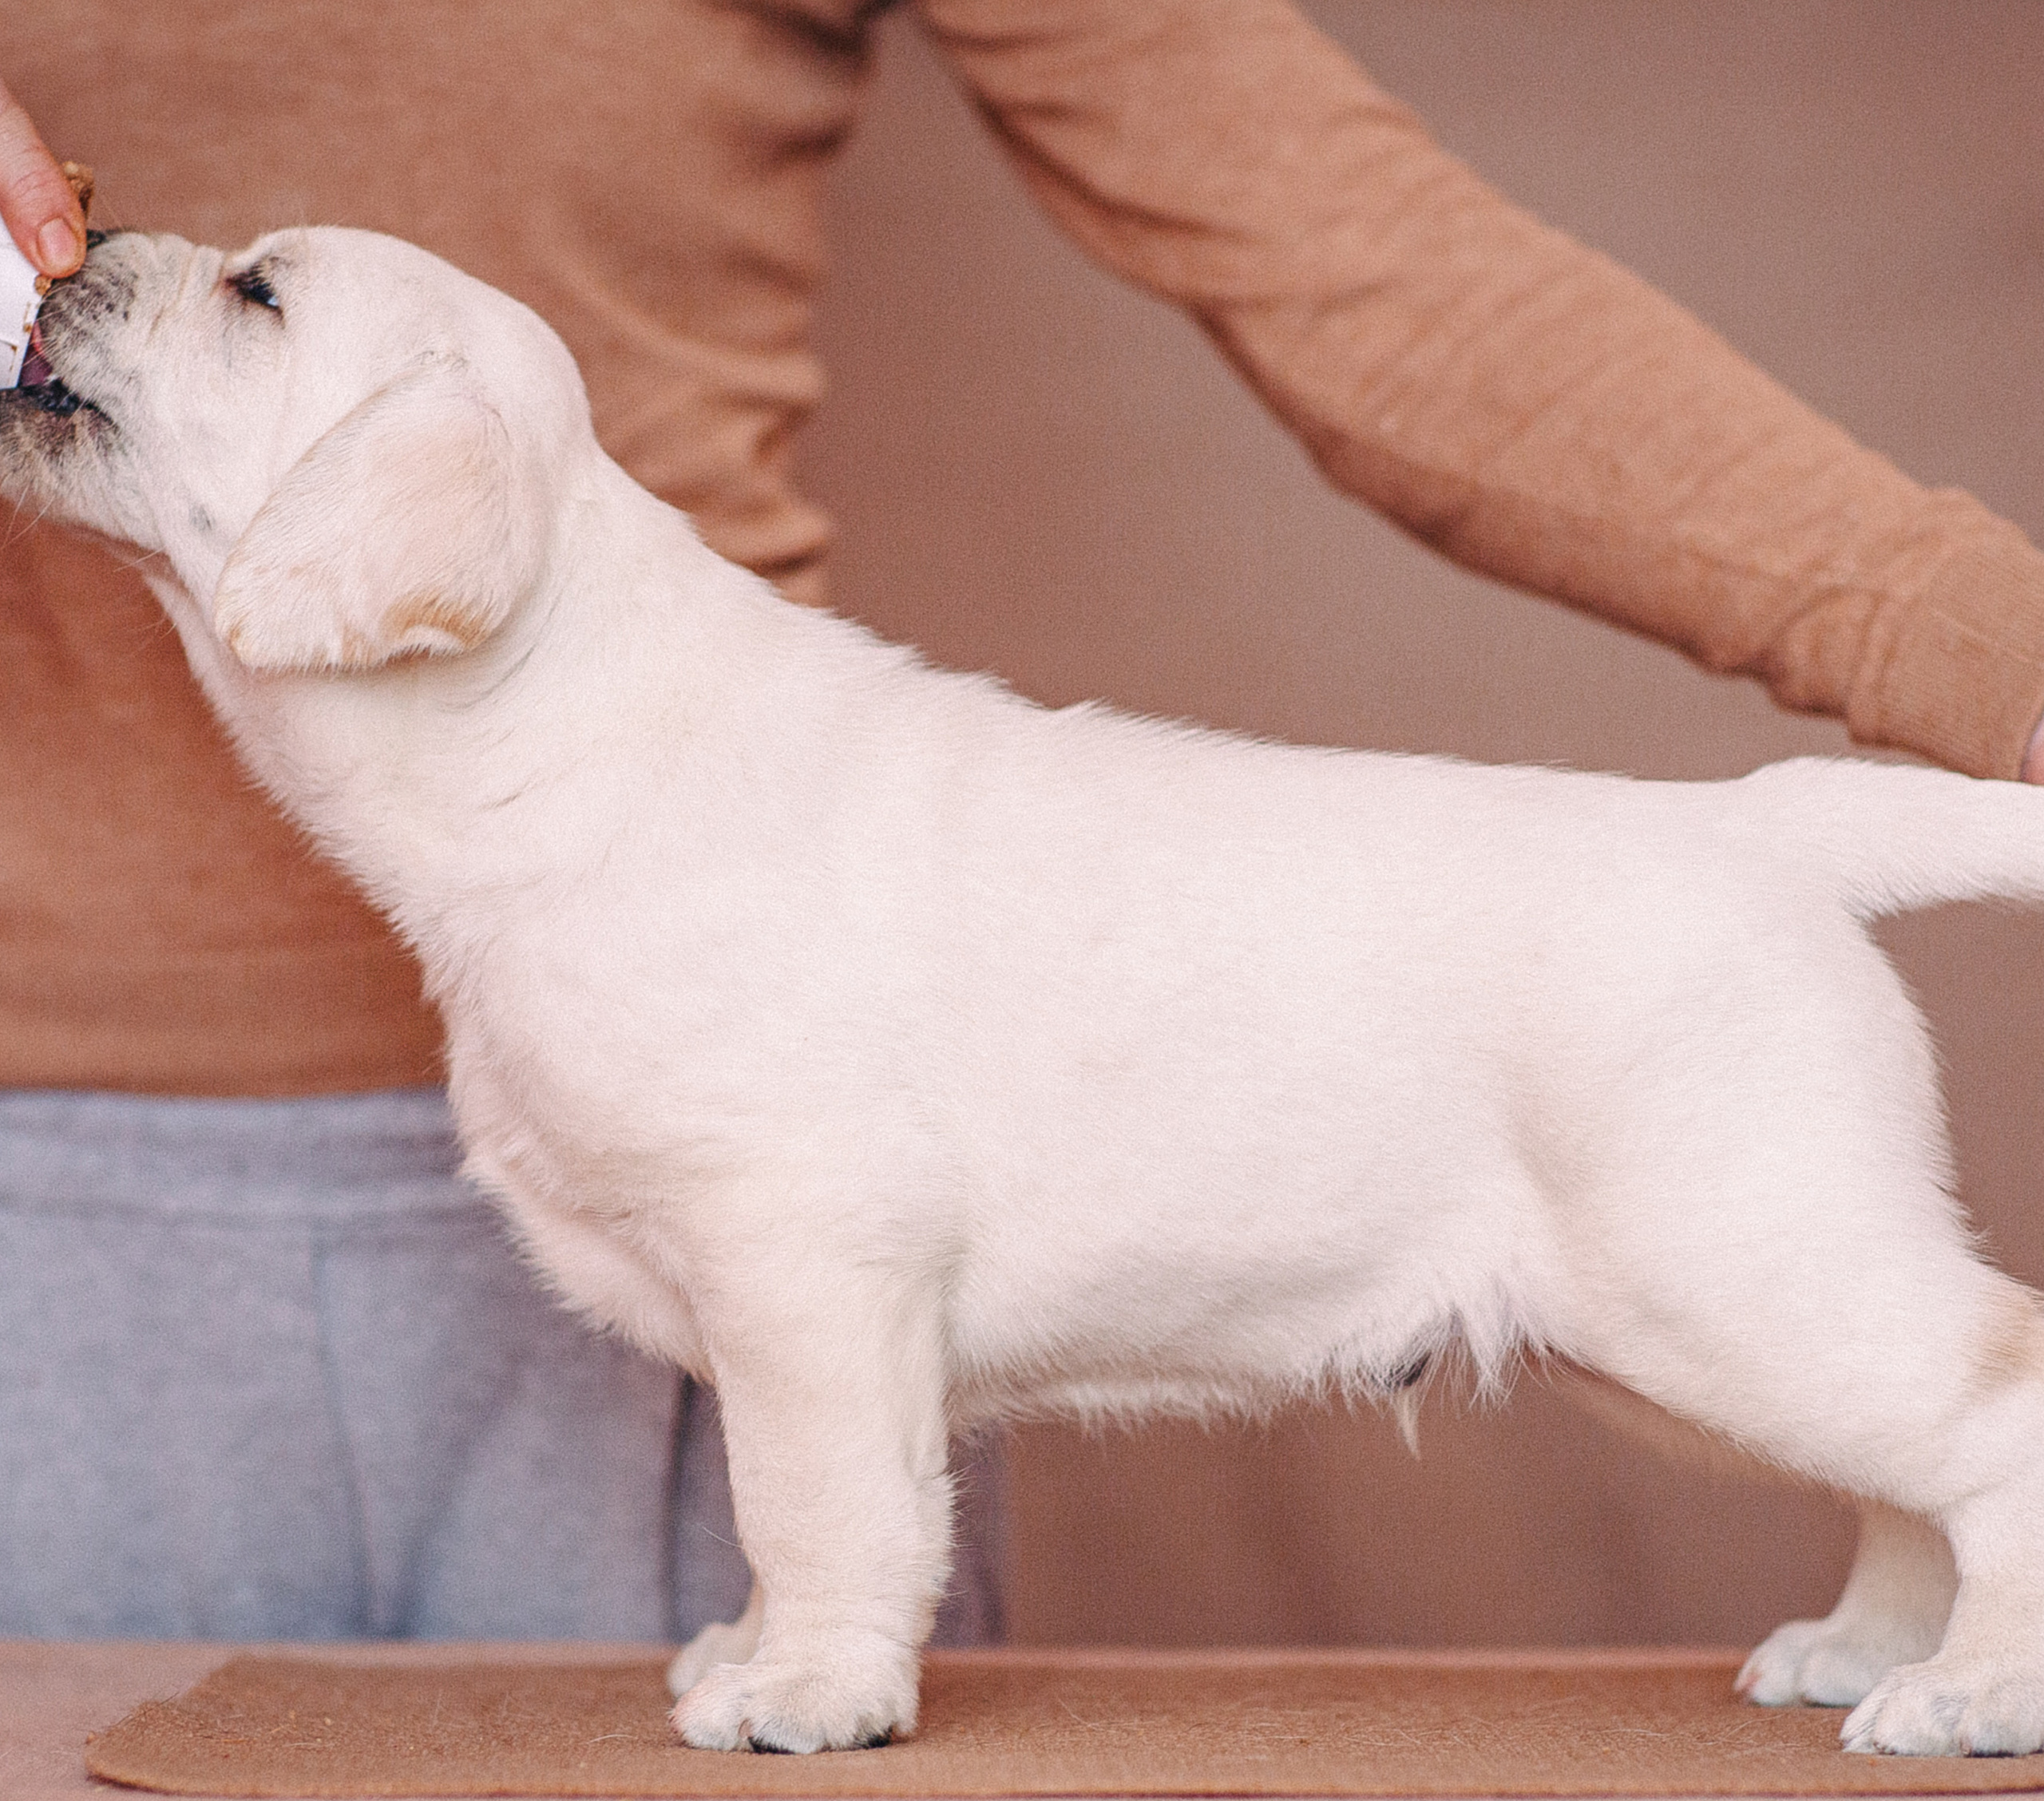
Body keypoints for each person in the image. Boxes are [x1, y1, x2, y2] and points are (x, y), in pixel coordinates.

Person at [2, 0, 2041, 1647]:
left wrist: (1999, 663)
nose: (139, 256)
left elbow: (1382, 272)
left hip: (691, 1157)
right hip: (48, 1172)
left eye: (254, 298)